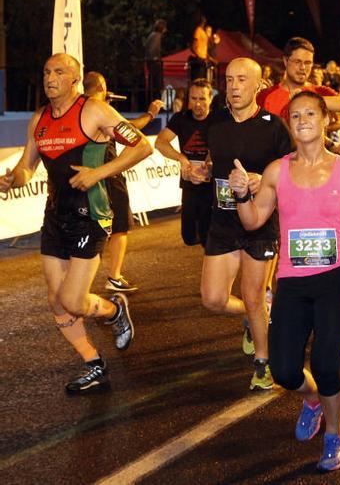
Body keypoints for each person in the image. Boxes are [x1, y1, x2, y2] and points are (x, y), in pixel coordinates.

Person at [231, 90, 340, 471]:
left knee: (327, 364)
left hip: (335, 281)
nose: (302, 121)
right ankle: (313, 399)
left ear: (325, 119)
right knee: (283, 370)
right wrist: (239, 196)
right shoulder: (276, 171)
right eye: (295, 116)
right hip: (293, 285)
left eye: (310, 114)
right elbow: (253, 221)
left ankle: (335, 435)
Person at [0, 53, 151, 392]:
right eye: (45, 71)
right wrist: (14, 179)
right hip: (56, 215)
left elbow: (141, 147)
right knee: (55, 299)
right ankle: (94, 364)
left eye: (58, 71)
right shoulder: (38, 119)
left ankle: (112, 310)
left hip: (91, 215)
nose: (50, 77)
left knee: (71, 300)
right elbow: (27, 167)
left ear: (75, 78)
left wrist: (99, 172)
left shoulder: (94, 110)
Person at [201, 58, 292, 389]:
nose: (234, 86)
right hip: (222, 223)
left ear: (259, 85)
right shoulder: (216, 122)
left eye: (242, 80)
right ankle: (254, 321)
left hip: (260, 222)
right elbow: (209, 161)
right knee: (212, 298)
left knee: (254, 296)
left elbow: (293, 172)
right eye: (229, 80)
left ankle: (263, 365)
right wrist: (199, 170)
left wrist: (261, 180)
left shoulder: (273, 125)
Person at [82, 71, 164, 293]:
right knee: (119, 227)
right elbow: (130, 128)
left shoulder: (79, 110)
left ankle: (79, 283)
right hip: (109, 175)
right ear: (101, 86)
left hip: (86, 178)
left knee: (90, 227)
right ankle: (114, 276)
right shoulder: (100, 111)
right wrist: (151, 113)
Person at [155, 79, 215, 247]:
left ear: (210, 99)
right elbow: (160, 142)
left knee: (208, 238)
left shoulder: (218, 119)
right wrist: (182, 159)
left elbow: (227, 145)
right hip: (189, 184)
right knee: (188, 237)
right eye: (193, 99)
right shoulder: (181, 118)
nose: (197, 104)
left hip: (212, 187)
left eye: (202, 99)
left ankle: (212, 270)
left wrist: (210, 162)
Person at [257, 37, 340, 118]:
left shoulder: (318, 91)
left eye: (307, 63)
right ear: (286, 61)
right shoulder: (266, 95)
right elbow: (260, 122)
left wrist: (308, 100)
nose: (303, 67)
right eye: (297, 62)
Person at [144, 19, 167, 101]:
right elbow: (153, 50)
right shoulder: (157, 36)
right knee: (157, 84)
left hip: (151, 62)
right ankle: (157, 102)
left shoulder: (152, 35)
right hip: (154, 63)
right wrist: (156, 59)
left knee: (153, 83)